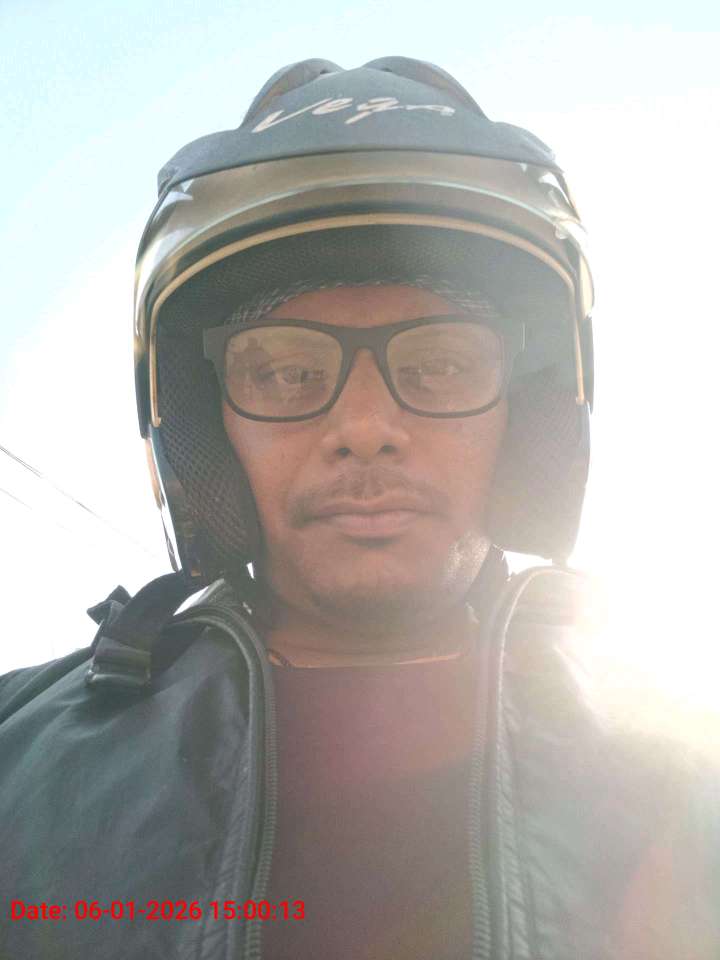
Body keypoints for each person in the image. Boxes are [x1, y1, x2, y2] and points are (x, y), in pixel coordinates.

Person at [0, 57, 717, 960]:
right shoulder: (17, 754)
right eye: (287, 371)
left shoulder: (690, 757)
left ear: (528, 411)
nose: (367, 429)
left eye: (442, 364)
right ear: (206, 423)